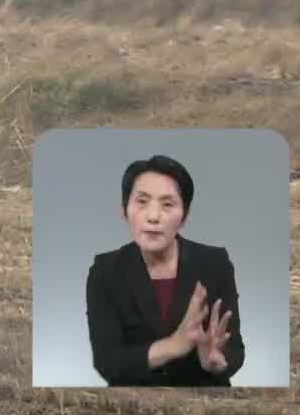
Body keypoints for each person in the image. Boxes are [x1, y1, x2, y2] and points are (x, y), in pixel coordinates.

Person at [85, 154, 243, 386]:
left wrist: (216, 362)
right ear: (124, 210)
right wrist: (175, 345)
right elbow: (108, 362)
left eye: (167, 204)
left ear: (184, 217)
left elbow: (234, 348)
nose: (153, 217)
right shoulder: (105, 272)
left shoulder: (214, 263)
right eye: (142, 201)